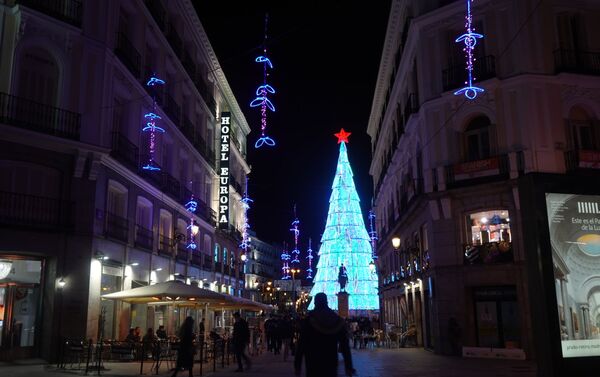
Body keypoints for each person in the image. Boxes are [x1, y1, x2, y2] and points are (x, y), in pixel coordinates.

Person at [294, 293, 353, 377]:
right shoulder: (336, 320)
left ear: (315, 303)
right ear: (327, 302)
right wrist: (348, 366)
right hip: (330, 361)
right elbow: (345, 345)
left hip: (313, 361)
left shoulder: (309, 320)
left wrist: (297, 365)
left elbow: (301, 343)